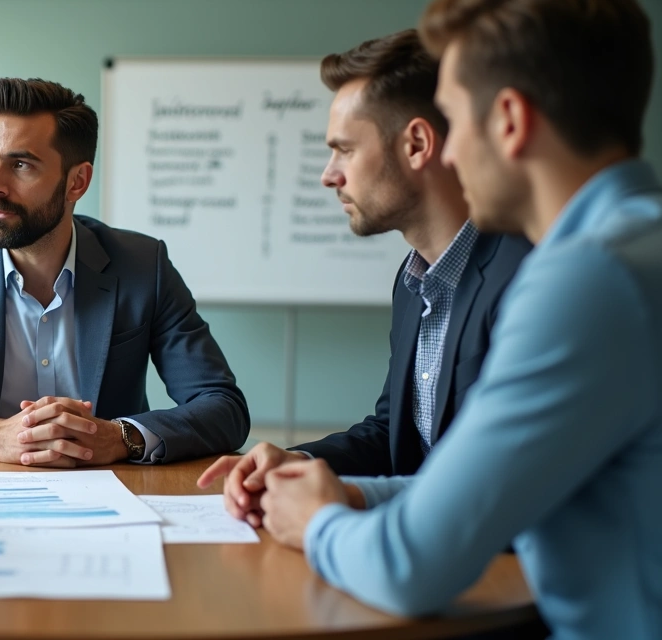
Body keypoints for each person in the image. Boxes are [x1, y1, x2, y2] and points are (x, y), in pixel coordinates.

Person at [255, 1, 662, 637]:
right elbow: (472, 481)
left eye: (457, 116)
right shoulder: (635, 245)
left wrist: (315, 524)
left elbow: (411, 566)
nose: (451, 149)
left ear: (507, 121)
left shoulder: (586, 280)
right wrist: (345, 493)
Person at [198, 29, 530, 524]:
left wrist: (345, 500)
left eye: (345, 150)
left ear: (417, 144)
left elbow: (500, 485)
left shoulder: (524, 278)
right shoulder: (413, 278)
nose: (328, 175)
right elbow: (393, 431)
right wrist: (300, 463)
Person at [0, 78, 249, 466]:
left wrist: (121, 437)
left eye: (20, 165)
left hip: (112, 493)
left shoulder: (143, 266)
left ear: (77, 182)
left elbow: (223, 406)